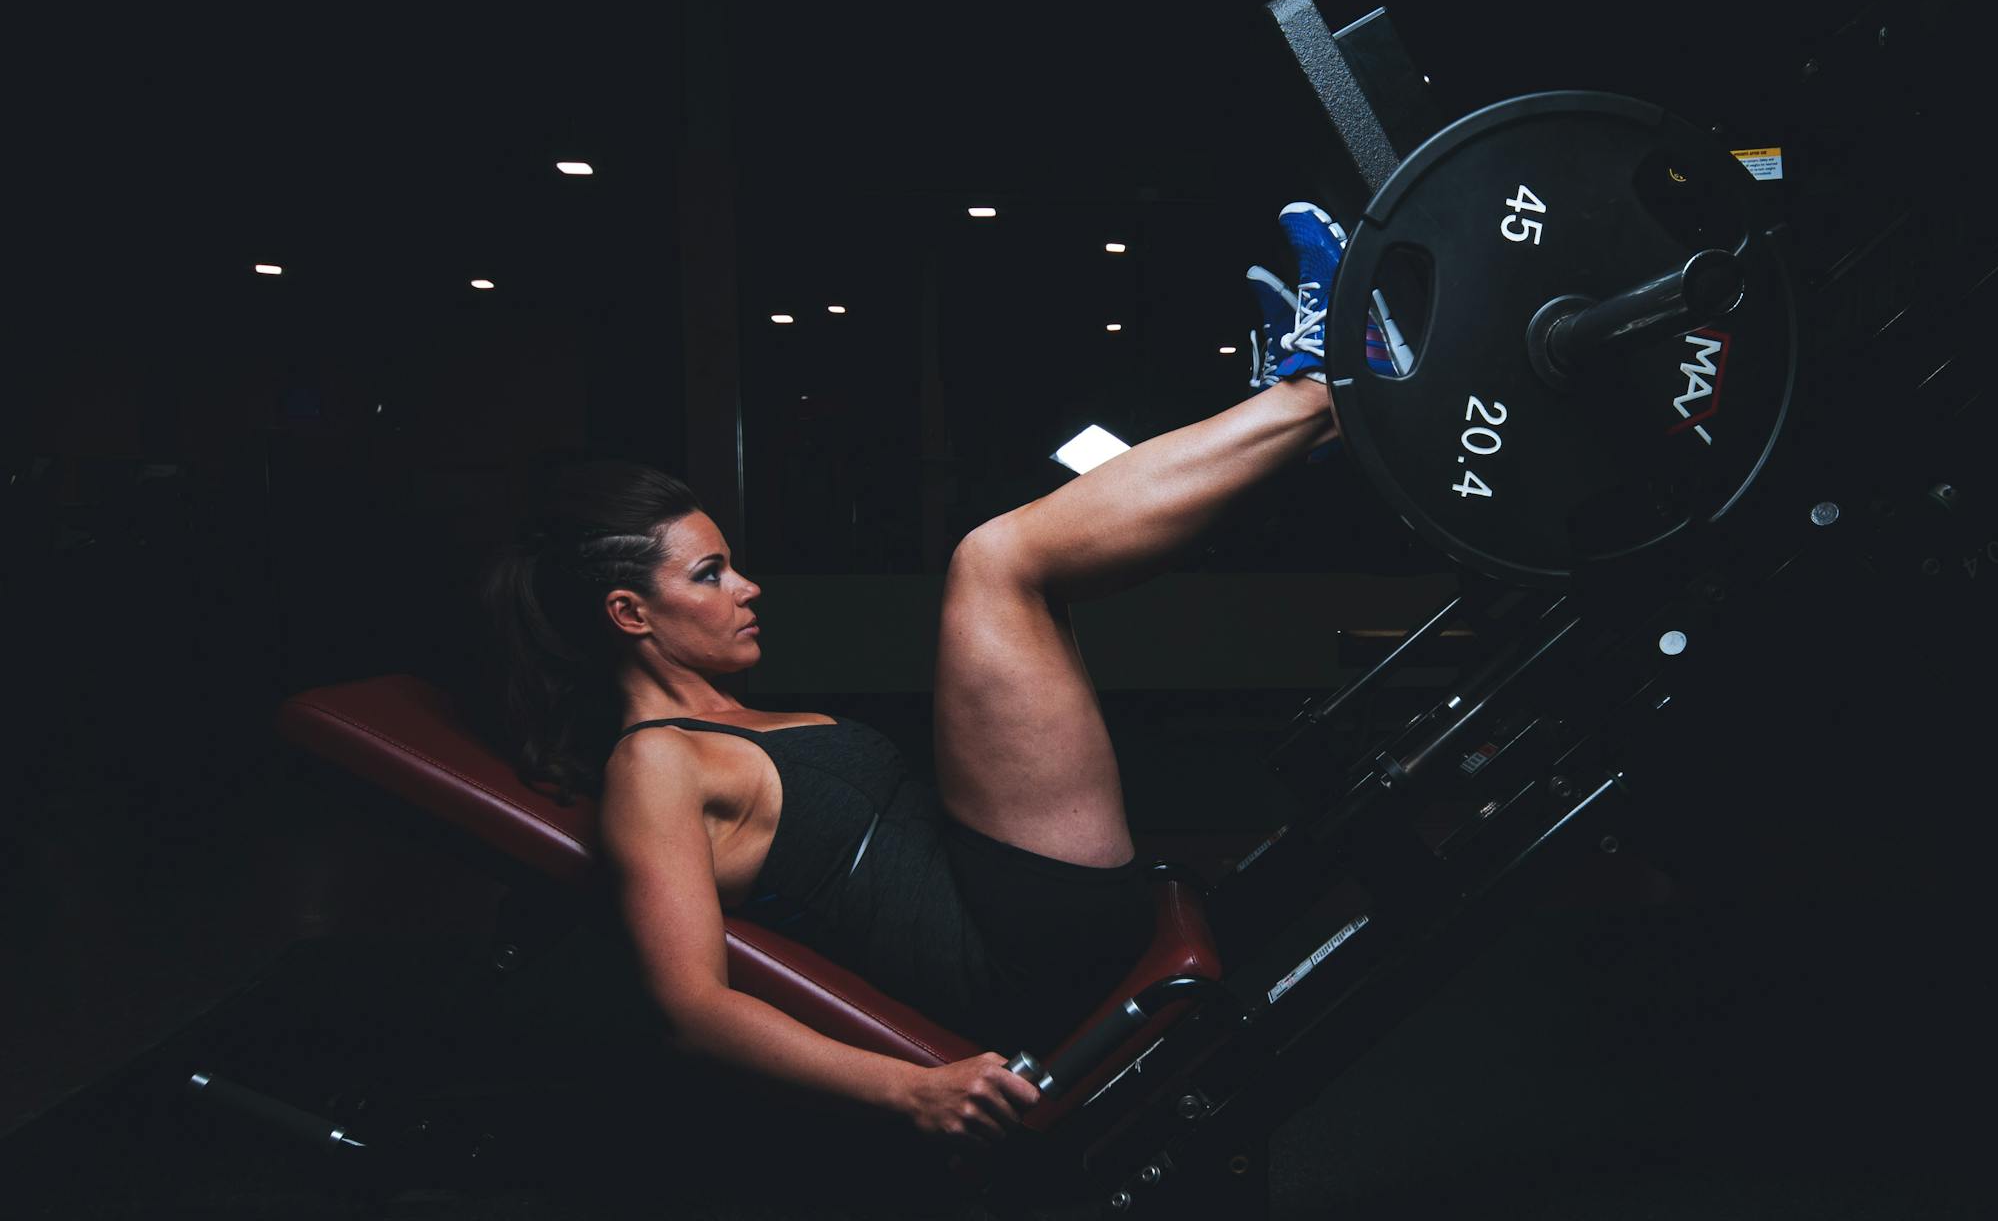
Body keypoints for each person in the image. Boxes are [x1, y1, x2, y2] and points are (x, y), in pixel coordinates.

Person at [481, 204, 1391, 1147]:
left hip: (1013, 904)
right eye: (710, 575)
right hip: (1011, 958)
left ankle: (1297, 420)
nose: (748, 588)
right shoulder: (653, 768)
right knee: (995, 565)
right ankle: (1318, 390)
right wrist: (907, 1090)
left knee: (1032, 579)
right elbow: (690, 1007)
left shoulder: (729, 721)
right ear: (630, 616)